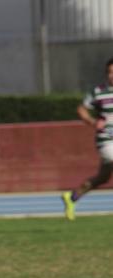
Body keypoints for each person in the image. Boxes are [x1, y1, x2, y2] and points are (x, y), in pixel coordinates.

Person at [62, 57, 113, 220]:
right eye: (110, 72)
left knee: (102, 178)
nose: (112, 75)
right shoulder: (98, 92)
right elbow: (81, 109)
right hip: (106, 140)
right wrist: (92, 121)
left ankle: (72, 197)